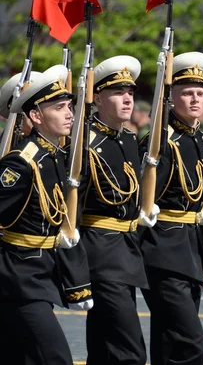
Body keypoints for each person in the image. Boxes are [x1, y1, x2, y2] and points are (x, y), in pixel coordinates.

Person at [0, 65, 88, 364]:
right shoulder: (22, 163)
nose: (69, 114)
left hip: (41, 274)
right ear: (36, 117)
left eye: (69, 107)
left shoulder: (54, 157)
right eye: (60, 108)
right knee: (55, 357)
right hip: (18, 279)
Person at [138, 52, 203, 365]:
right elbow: (142, 203)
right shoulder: (160, 142)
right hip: (162, 252)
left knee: (168, 342)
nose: (196, 99)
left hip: (189, 250)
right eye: (187, 93)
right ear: (170, 98)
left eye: (200, 93)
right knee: (191, 345)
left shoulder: (199, 139)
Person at [78, 55, 147, 365]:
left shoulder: (129, 139)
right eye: (119, 93)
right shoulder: (83, 143)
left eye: (130, 93)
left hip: (126, 250)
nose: (127, 99)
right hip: (100, 253)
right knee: (130, 350)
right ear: (98, 97)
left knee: (105, 341)